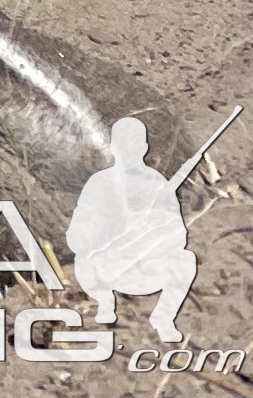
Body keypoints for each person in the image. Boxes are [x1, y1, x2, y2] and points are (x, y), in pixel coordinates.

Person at [68, 116, 195, 342]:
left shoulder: (157, 183)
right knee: (83, 260)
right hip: (106, 268)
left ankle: (163, 318)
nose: (129, 151)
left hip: (146, 268)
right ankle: (104, 303)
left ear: (145, 148)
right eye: (123, 144)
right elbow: (76, 235)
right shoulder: (99, 182)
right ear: (113, 147)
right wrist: (110, 230)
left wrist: (151, 232)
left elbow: (179, 234)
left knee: (185, 261)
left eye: (135, 144)